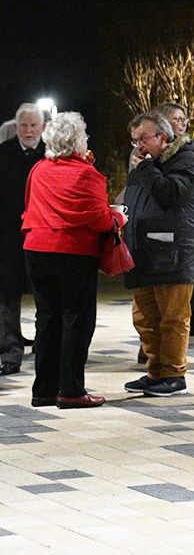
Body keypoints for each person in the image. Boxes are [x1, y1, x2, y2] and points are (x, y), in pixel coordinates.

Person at [20, 110, 118, 409]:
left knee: (47, 318)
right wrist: (119, 217)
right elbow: (101, 220)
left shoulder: (39, 169)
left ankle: (44, 390)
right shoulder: (87, 173)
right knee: (77, 319)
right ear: (79, 141)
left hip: (36, 248)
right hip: (73, 252)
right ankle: (71, 390)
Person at [121, 109, 194, 397]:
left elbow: (171, 194)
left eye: (143, 139)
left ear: (162, 136)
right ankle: (155, 370)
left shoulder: (186, 160)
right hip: (145, 252)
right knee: (145, 317)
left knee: (172, 318)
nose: (138, 146)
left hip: (175, 253)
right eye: (135, 141)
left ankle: (173, 374)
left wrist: (145, 169)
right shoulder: (146, 163)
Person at [0, 102, 46, 373]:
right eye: (24, 125)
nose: (28, 130)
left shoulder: (51, 155)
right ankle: (10, 350)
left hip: (42, 234)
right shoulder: (3, 154)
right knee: (8, 293)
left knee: (45, 293)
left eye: (33, 125)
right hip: (8, 237)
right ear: (16, 127)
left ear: (42, 127)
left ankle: (44, 345)